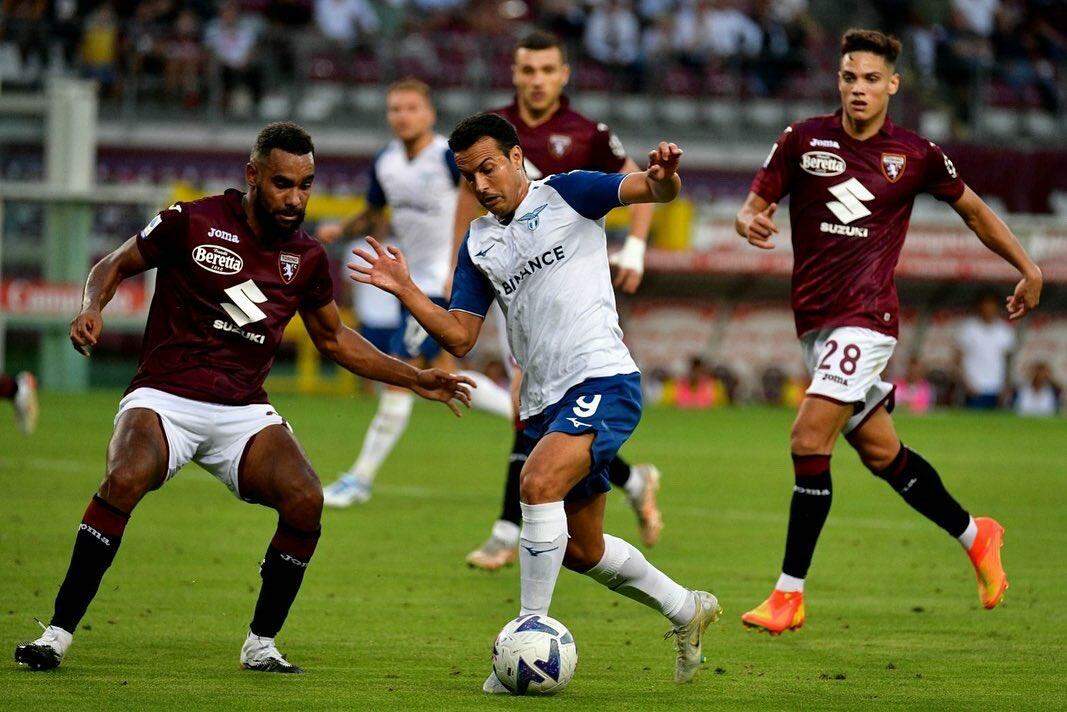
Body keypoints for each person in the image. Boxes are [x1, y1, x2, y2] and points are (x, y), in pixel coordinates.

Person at [14, 122, 472, 673]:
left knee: (306, 500)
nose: (296, 198)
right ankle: (57, 634)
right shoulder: (191, 220)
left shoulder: (305, 258)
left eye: (306, 185)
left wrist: (414, 378)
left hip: (242, 410)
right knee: (126, 477)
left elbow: (333, 339)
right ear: (252, 176)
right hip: (164, 397)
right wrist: (92, 306)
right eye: (283, 184)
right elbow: (111, 266)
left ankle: (261, 644)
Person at [352, 113, 721, 688]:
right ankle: (686, 609)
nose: (479, 184)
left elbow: (652, 189)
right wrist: (404, 290)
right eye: (468, 176)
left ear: (518, 158)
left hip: (603, 378)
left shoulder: (569, 193)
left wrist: (666, 177)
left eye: (488, 167)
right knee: (582, 549)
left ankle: (528, 634)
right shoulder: (478, 243)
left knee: (537, 483)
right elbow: (459, 335)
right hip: (546, 401)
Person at [734, 29, 1042, 634]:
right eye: (849, 77)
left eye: (871, 79)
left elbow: (975, 211)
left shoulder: (918, 155)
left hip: (868, 319)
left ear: (893, 85)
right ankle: (976, 535)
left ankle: (788, 594)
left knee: (806, 439)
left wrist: (1028, 267)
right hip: (816, 325)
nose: (858, 88)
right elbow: (756, 201)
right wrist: (750, 219)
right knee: (882, 454)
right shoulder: (802, 139)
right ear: (838, 81)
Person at [456, 31, 664, 571]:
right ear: (515, 73)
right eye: (528, 70)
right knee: (532, 416)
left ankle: (509, 530)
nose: (537, 79)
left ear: (563, 74)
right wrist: (444, 276)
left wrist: (635, 248)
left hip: (567, 288)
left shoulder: (587, 133)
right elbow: (470, 211)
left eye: (547, 70)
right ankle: (632, 480)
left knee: (542, 413)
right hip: (512, 293)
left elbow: (638, 182)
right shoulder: (490, 133)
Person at [315, 79, 513, 507]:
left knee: (400, 372)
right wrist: (342, 229)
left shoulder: (447, 157)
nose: (402, 115)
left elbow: (477, 198)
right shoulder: (386, 162)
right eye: (395, 109)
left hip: (441, 282)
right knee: (442, 372)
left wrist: (461, 266)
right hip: (414, 282)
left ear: (428, 114)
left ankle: (359, 479)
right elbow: (374, 211)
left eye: (410, 108)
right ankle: (523, 412)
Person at [956, 291, 1017, 409]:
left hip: (996, 388)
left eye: (991, 306)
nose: (988, 309)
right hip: (974, 388)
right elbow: (958, 359)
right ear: (979, 307)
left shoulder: (1005, 331)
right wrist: (966, 383)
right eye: (985, 305)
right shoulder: (969, 329)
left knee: (996, 426)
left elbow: (1008, 361)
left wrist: (1006, 385)